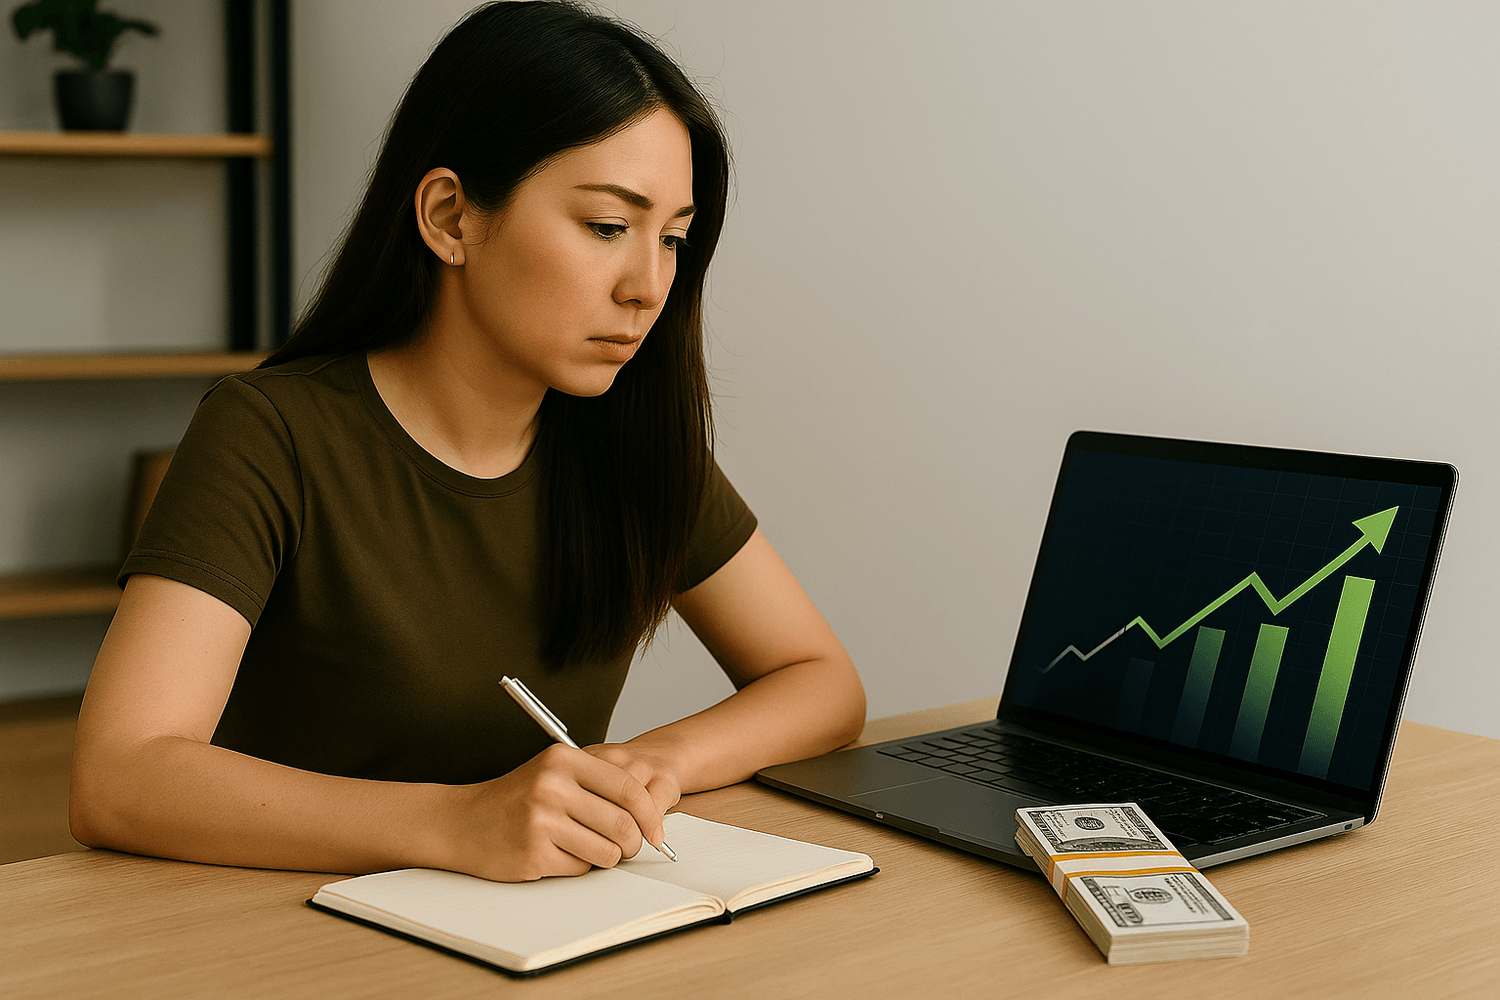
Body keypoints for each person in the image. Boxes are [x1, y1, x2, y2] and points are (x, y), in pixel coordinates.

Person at [68, 0, 865, 884]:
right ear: (450, 217)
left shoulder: (628, 440)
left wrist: (654, 764)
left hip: (539, 938)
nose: (649, 286)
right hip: (283, 932)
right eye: (608, 226)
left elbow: (821, 680)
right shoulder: (270, 432)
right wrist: (456, 820)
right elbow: (118, 775)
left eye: (673, 238)